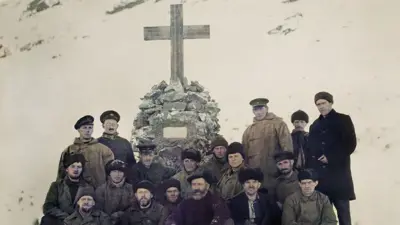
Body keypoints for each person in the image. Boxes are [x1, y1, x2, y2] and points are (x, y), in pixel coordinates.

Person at [307, 91, 357, 225]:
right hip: (322, 180)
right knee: (325, 217)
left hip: (340, 177)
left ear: (330, 103)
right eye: (318, 104)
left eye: (323, 103)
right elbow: (311, 146)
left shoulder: (343, 119)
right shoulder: (314, 125)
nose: (321, 106)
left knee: (344, 215)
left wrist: (331, 158)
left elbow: (350, 144)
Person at [242, 98, 293, 193]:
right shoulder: (248, 131)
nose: (258, 112)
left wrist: (286, 171)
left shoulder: (278, 124)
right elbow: (244, 155)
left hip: (275, 176)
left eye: (261, 109)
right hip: (256, 179)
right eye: (256, 110)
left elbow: (287, 149)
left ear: (267, 108)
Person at [57, 115, 114, 188]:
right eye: (84, 128)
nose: (87, 130)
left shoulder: (104, 150)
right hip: (75, 190)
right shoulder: (70, 149)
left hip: (97, 190)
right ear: (79, 130)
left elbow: (112, 173)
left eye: (90, 127)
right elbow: (61, 173)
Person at [41, 153, 93, 225]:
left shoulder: (88, 188)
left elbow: (91, 209)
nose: (76, 169)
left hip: (80, 222)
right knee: (46, 219)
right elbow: (48, 207)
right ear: (67, 169)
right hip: (61, 220)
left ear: (82, 169)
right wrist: (66, 217)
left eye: (79, 167)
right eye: (73, 166)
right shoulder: (57, 186)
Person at [166, 170, 231, 225]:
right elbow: (174, 218)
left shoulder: (216, 202)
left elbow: (222, 219)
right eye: (194, 184)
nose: (196, 188)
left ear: (207, 186)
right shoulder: (186, 203)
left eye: (199, 184)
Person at [97, 110, 136, 183]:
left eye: (113, 124)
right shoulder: (97, 143)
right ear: (103, 125)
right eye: (108, 124)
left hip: (122, 182)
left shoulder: (125, 143)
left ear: (117, 126)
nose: (111, 126)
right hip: (103, 183)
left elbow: (131, 164)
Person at [95, 160, 134, 225]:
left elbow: (133, 208)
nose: (117, 174)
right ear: (109, 173)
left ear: (124, 174)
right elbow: (98, 210)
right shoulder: (101, 189)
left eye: (120, 171)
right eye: (114, 171)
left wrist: (120, 214)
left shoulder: (130, 189)